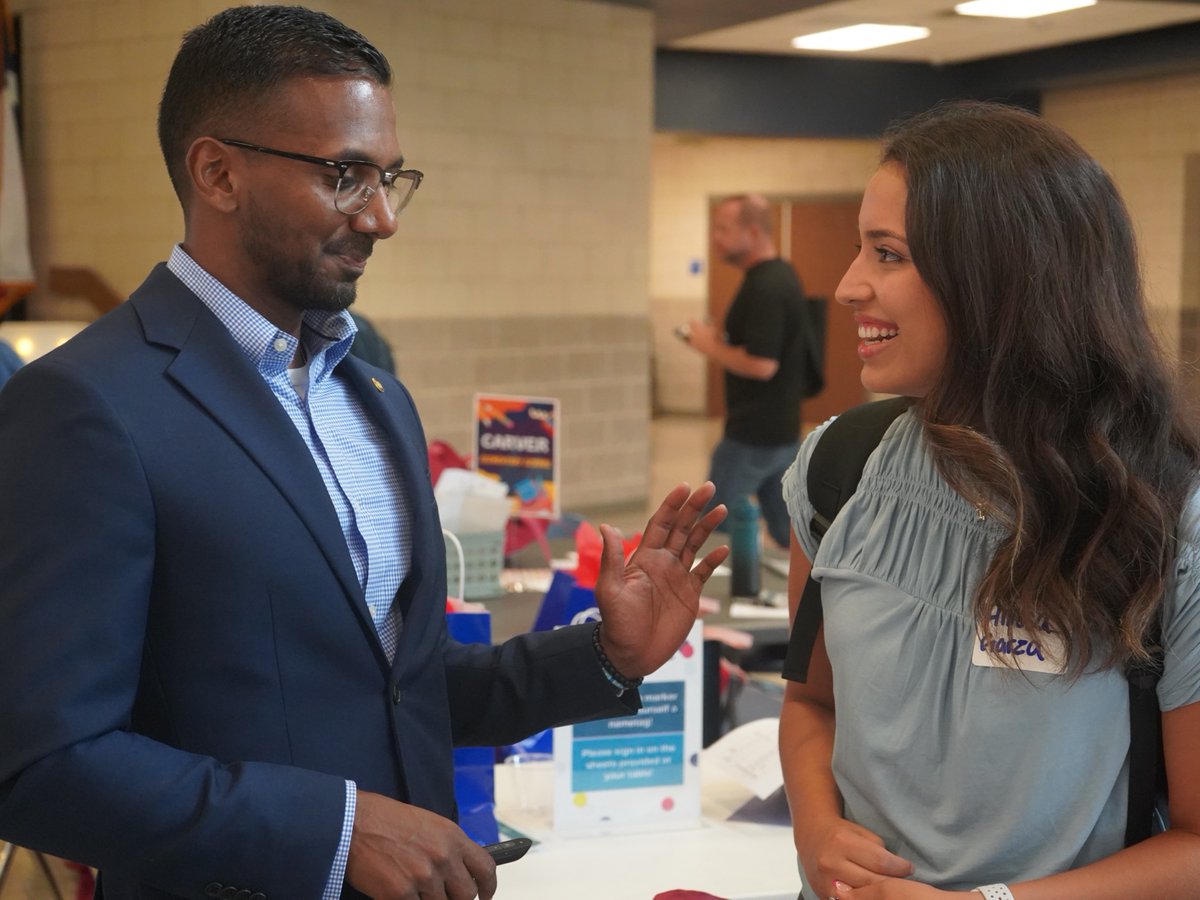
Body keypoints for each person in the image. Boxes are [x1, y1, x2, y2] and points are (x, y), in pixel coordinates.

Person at [0, 7, 728, 900]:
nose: (381, 217)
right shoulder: (87, 405)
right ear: (217, 172)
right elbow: (40, 766)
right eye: (346, 177)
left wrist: (602, 658)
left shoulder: (373, 397)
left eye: (391, 177)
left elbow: (391, 688)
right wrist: (336, 831)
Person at [777, 99, 1200, 900]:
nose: (846, 286)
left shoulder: (1164, 518)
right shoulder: (841, 468)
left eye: (887, 254)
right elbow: (808, 704)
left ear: (1000, 278)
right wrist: (818, 834)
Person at [683, 193, 812, 549]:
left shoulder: (767, 285)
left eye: (724, 228)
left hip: (753, 435)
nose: (715, 238)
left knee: (708, 530)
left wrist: (710, 347)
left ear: (752, 233)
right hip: (778, 431)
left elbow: (762, 364)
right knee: (791, 532)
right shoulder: (774, 276)